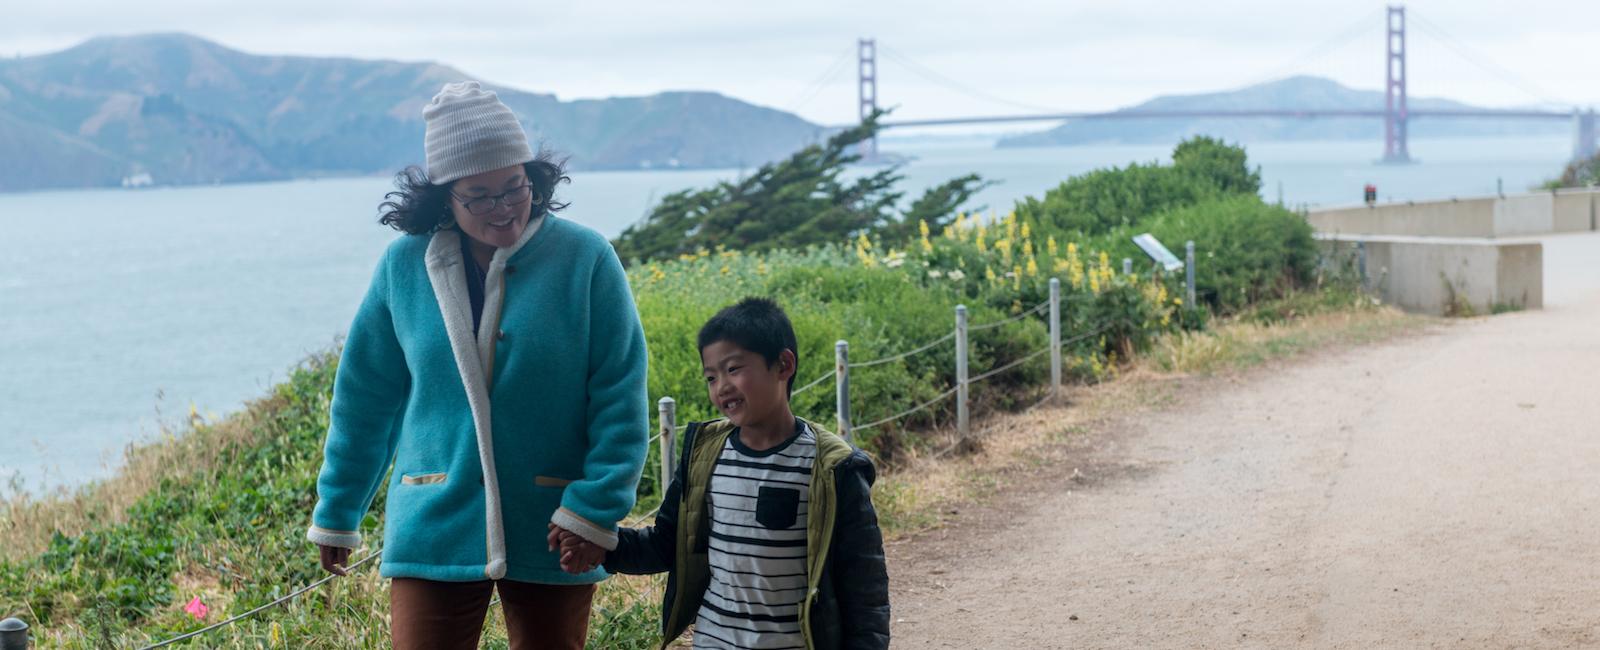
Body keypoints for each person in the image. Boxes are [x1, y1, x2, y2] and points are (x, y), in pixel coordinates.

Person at [305, 81, 649, 650]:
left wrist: (594, 507)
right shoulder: (403, 267)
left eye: (515, 186)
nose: (504, 207)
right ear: (445, 198)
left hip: (555, 520)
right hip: (432, 513)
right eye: (480, 195)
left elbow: (618, 390)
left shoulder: (585, 259)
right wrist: (339, 509)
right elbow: (365, 398)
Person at [560, 298, 890, 649]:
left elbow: (864, 585)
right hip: (714, 640)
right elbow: (667, 544)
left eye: (734, 369)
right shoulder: (705, 454)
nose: (721, 387)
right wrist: (606, 546)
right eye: (711, 377)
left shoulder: (832, 467)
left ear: (783, 364)